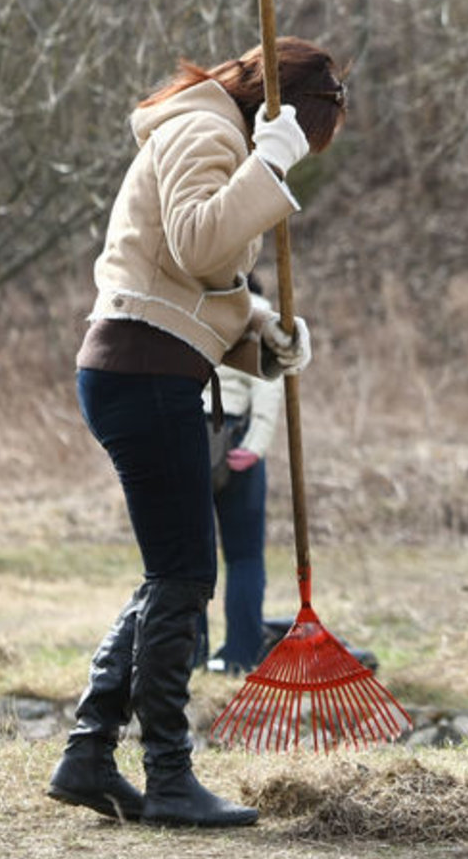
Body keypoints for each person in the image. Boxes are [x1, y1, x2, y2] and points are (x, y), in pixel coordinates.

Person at [46, 37, 344, 828]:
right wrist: (267, 168)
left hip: (151, 366)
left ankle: (88, 754)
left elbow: (196, 281)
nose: (296, 159)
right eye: (303, 141)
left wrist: (259, 331)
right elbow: (199, 239)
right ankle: (169, 777)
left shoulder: (216, 134)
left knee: (170, 573)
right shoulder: (206, 132)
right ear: (277, 111)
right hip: (141, 372)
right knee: (183, 578)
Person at [199, 277, 284, 675]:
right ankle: (241, 655)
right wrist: (256, 442)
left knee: (186, 560)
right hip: (234, 435)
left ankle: (188, 654)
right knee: (245, 555)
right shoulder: (257, 311)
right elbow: (268, 382)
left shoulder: (185, 303)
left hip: (185, 432)